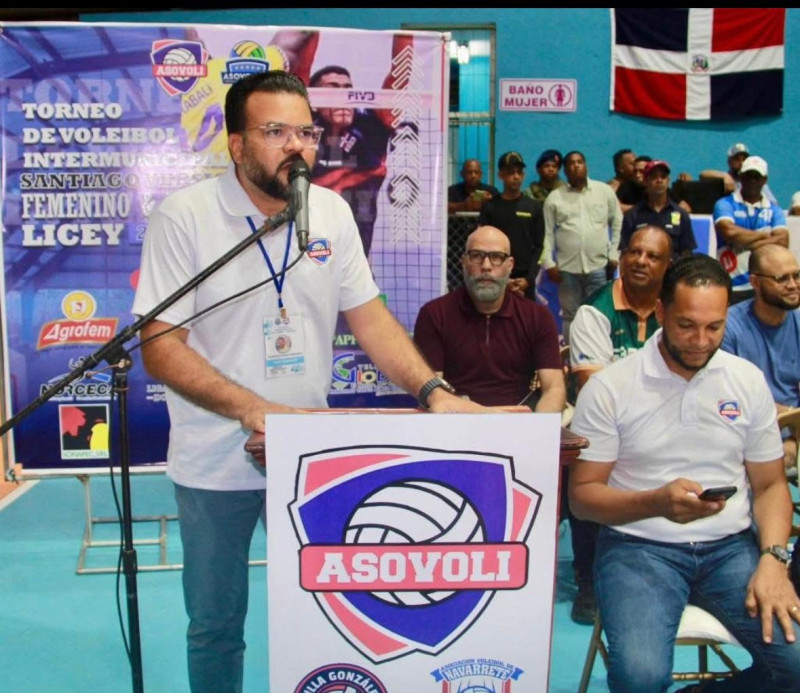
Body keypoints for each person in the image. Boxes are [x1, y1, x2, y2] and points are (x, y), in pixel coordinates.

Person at [132, 70, 484, 693]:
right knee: (215, 623)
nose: (297, 146)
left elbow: (371, 319)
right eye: (275, 132)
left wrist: (432, 390)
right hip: (215, 462)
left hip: (310, 458)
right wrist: (251, 408)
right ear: (237, 146)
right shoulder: (185, 216)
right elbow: (160, 346)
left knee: (334, 610)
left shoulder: (331, 212)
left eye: (305, 131)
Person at [569, 253, 800, 693]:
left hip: (731, 549)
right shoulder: (610, 387)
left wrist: (774, 559)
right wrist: (654, 502)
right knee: (640, 679)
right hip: (637, 547)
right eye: (686, 325)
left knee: (796, 667)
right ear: (660, 313)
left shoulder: (746, 381)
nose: (700, 340)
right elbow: (582, 498)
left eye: (714, 327)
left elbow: (770, 485)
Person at [565, 225, 672, 624]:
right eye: (634, 252)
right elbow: (595, 390)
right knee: (588, 465)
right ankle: (588, 579)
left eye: (653, 256)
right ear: (621, 256)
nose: (641, 261)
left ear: (667, 265)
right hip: (603, 430)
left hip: (664, 428)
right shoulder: (594, 311)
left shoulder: (676, 311)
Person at [413, 225, 565, 411]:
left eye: (496, 257)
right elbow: (431, 390)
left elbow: (554, 389)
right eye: (477, 256)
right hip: (454, 424)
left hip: (517, 425)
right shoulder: (434, 315)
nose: (486, 266)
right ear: (464, 262)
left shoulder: (538, 317)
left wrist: (538, 432)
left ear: (510, 265)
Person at [721, 245, 800, 474]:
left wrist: (794, 438)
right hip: (744, 435)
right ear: (755, 282)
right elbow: (728, 399)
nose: (793, 285)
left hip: (793, 433)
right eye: (781, 278)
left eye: (796, 275)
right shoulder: (728, 327)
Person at [541, 150, 622, 343]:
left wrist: (613, 253)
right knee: (570, 316)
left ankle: (599, 354)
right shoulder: (555, 198)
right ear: (565, 170)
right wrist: (548, 263)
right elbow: (547, 232)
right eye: (571, 163)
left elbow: (617, 221)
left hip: (598, 266)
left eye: (580, 162)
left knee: (599, 313)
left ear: (586, 166)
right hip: (567, 269)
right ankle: (571, 358)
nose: (576, 166)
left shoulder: (604, 191)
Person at [713, 155, 789, 303]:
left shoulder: (774, 210)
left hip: (763, 284)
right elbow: (729, 233)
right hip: (731, 283)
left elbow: (783, 241)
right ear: (741, 176)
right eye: (748, 175)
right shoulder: (724, 204)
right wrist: (766, 236)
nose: (752, 180)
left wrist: (745, 240)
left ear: (765, 180)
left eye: (757, 176)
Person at [478, 151, 545, 300]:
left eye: (519, 172)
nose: (516, 177)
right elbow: (484, 244)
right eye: (510, 172)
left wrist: (529, 279)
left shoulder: (534, 207)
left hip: (524, 280)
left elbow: (539, 246)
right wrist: (500, 277)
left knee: (525, 322)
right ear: (500, 175)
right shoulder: (490, 207)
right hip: (496, 277)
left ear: (524, 175)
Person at [620, 160, 696, 259]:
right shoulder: (632, 215)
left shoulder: (681, 214)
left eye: (663, 177)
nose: (659, 180)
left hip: (673, 272)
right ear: (646, 181)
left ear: (668, 181)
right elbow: (625, 252)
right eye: (654, 177)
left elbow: (687, 252)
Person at [700, 142, 779, 205]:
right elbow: (703, 174)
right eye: (737, 159)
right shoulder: (725, 177)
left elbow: (773, 203)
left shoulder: (755, 180)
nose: (741, 163)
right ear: (729, 161)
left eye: (744, 159)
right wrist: (724, 176)